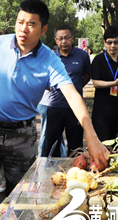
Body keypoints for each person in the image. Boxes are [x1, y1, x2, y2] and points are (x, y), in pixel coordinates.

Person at [0, 0, 110, 220]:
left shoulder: (50, 60)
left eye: (31, 24)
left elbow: (72, 95)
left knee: (20, 197)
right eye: (20, 22)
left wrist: (91, 138)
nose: (23, 29)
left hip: (23, 136)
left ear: (43, 30)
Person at [38, 25, 91, 158]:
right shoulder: (50, 57)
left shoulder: (82, 55)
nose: (64, 41)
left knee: (76, 145)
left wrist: (75, 89)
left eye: (67, 38)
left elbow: (86, 76)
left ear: (72, 38)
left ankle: (76, 172)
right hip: (54, 106)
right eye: (60, 38)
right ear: (56, 40)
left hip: (75, 109)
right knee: (52, 144)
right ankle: (53, 173)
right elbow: (41, 78)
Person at [91, 25, 118, 142]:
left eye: (116, 42)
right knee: (103, 142)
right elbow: (96, 83)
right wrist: (114, 83)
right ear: (104, 43)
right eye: (109, 42)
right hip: (102, 110)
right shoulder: (99, 60)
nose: (112, 46)